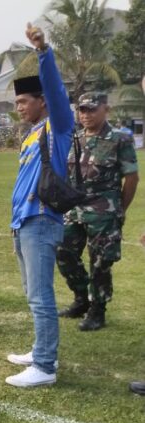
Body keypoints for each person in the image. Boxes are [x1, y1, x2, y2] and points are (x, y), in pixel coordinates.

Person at [3, 24, 74, 387]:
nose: (19, 108)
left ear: (42, 100)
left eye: (24, 102)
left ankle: (45, 366)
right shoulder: (32, 134)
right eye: (16, 103)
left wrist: (43, 52)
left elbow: (59, 94)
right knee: (33, 294)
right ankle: (40, 348)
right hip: (24, 222)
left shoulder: (57, 127)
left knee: (42, 296)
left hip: (42, 221)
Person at [55, 93, 138, 331]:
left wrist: (119, 209)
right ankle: (81, 298)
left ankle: (97, 310)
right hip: (75, 209)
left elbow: (131, 178)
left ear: (106, 110)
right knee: (62, 251)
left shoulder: (119, 139)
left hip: (104, 211)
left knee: (100, 262)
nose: (86, 115)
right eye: (82, 110)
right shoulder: (75, 138)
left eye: (92, 110)